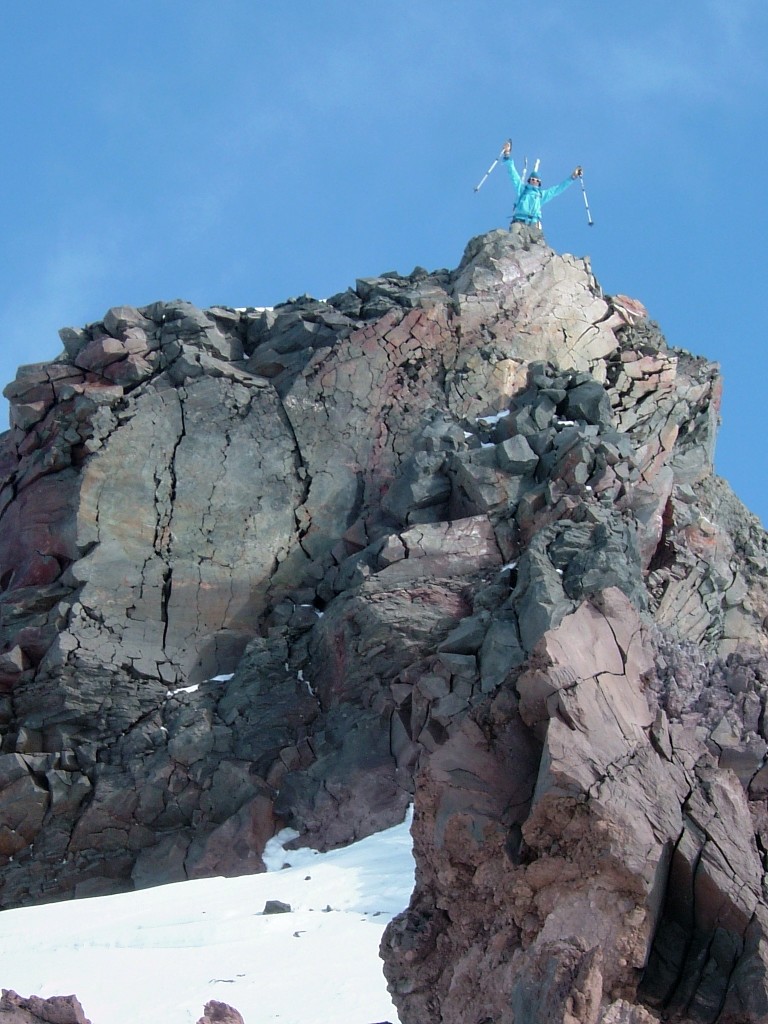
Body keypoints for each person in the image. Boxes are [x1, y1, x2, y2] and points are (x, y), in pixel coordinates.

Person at [502, 140, 582, 235]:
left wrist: (572, 177)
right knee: (513, 240)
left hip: (534, 223)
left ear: (539, 183)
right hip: (519, 220)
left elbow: (558, 189)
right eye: (532, 179)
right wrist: (507, 154)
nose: (534, 181)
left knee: (535, 246)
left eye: (536, 180)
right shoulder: (522, 189)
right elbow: (513, 174)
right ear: (529, 180)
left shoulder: (541, 195)